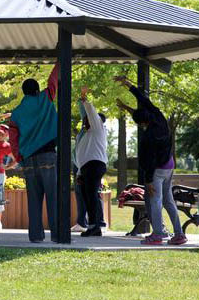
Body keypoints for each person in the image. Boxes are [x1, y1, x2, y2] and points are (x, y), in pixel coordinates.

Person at [115, 75, 187, 245]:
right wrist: (129, 88)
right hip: (169, 166)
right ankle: (179, 233)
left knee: (155, 199)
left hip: (158, 169)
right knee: (168, 201)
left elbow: (149, 162)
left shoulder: (149, 137)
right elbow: (143, 101)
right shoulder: (158, 116)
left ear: (142, 124)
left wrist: (148, 182)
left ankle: (157, 234)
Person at [8, 62, 59, 243]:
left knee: (34, 200)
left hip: (28, 159)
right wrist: (59, 61)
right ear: (37, 90)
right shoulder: (45, 98)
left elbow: (13, 139)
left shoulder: (16, 113)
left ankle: (36, 236)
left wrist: (19, 157)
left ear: (24, 92)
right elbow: (54, 81)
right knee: (53, 197)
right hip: (48, 155)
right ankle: (57, 234)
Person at [74, 86, 108, 237]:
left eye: (87, 119)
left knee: (92, 195)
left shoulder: (97, 128)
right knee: (88, 196)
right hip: (87, 167)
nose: (84, 122)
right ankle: (93, 226)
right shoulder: (87, 134)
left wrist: (83, 98)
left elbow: (90, 114)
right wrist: (80, 173)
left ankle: (96, 226)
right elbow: (82, 155)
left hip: (95, 165)